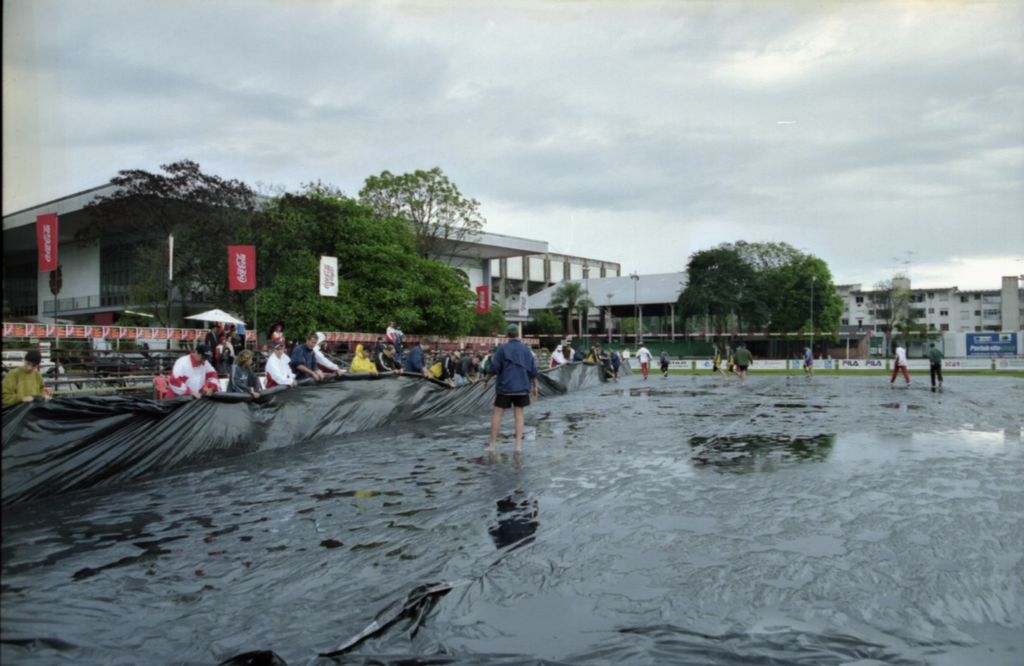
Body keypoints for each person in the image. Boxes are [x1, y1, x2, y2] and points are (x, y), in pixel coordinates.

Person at [482, 325, 539, 453]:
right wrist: (535, 386)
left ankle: (492, 445)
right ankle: (518, 446)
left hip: (505, 387)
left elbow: (494, 368)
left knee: (497, 414)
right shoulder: (526, 350)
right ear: (518, 334)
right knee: (519, 415)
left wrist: (486, 379)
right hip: (522, 387)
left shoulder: (502, 349)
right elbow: (533, 370)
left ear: (507, 335)